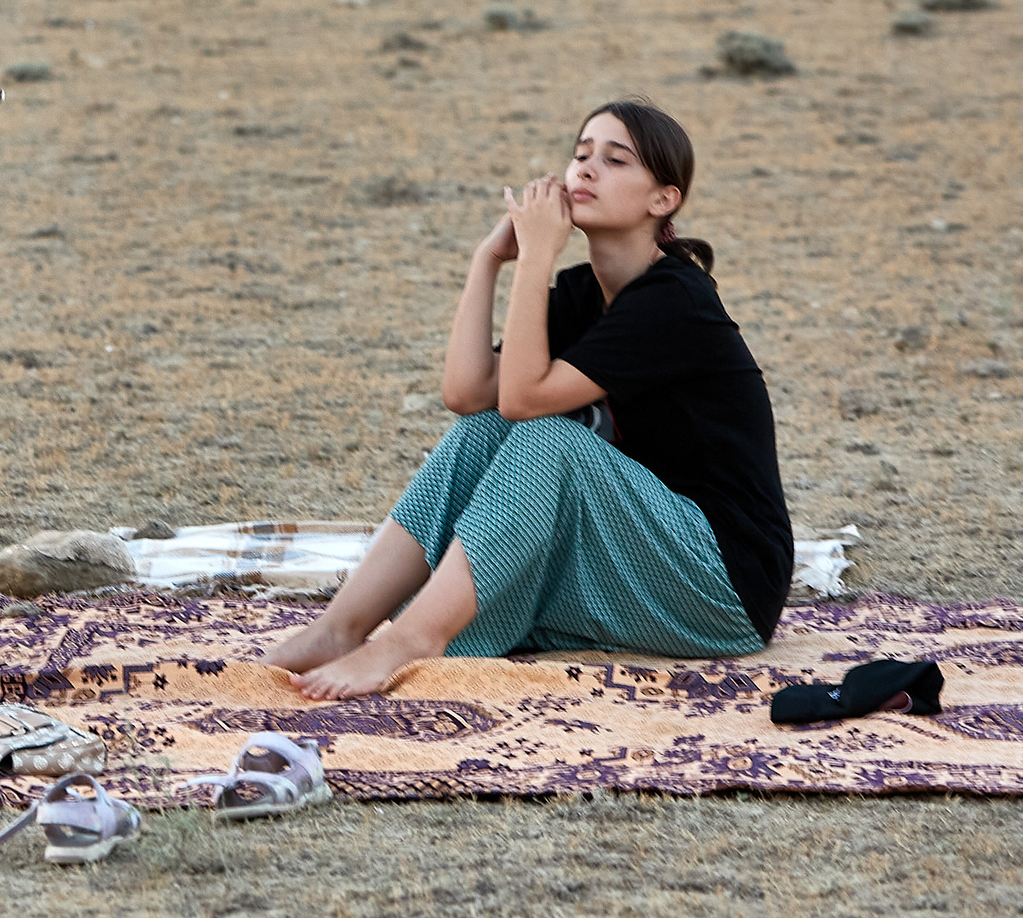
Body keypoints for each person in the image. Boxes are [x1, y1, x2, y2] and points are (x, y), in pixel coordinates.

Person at [265, 99, 792, 700]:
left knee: (548, 436)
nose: (586, 170)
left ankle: (407, 641)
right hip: (640, 550)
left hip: (722, 582)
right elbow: (467, 395)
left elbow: (524, 402)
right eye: (580, 155)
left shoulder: (674, 299)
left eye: (615, 161)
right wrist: (487, 260)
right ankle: (341, 628)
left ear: (663, 200)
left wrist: (538, 253)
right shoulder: (581, 292)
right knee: (482, 432)